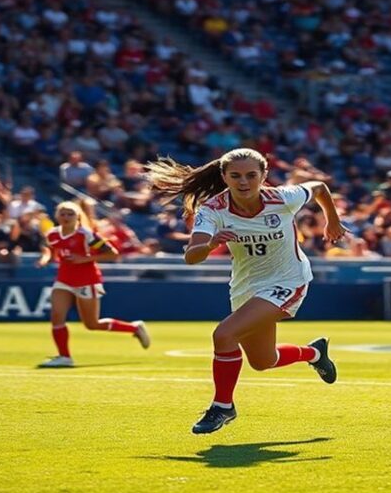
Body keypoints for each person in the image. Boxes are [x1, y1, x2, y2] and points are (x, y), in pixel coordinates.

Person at [145, 148, 348, 434]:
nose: (244, 182)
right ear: (224, 177)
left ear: (264, 176)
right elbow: (191, 256)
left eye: (252, 175)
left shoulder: (282, 198)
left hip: (288, 280)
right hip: (247, 287)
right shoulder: (212, 211)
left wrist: (333, 219)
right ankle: (314, 353)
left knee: (223, 335)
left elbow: (319, 188)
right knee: (264, 361)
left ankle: (223, 406)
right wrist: (211, 243)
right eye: (236, 176)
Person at [36, 201, 150, 368]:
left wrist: (84, 259)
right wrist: (45, 259)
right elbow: (50, 249)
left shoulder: (85, 235)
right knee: (56, 316)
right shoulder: (52, 234)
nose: (66, 217)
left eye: (70, 214)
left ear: (77, 217)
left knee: (92, 324)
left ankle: (134, 328)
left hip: (86, 280)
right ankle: (64, 357)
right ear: (57, 216)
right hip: (64, 279)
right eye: (63, 214)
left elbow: (112, 254)